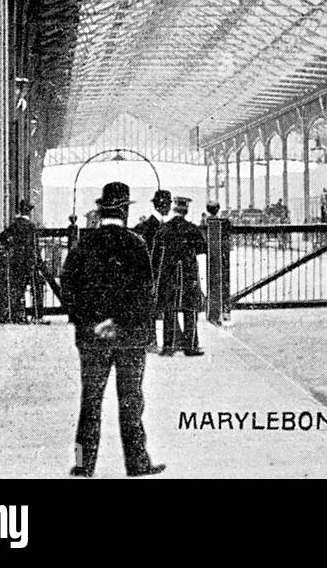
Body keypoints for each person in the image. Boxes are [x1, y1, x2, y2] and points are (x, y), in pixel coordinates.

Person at [62, 181, 165, 478]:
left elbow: (68, 288)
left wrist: (93, 321)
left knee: (89, 403)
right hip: (130, 338)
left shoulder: (83, 244)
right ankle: (138, 463)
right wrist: (119, 322)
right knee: (131, 402)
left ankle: (82, 465)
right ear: (124, 211)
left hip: (92, 338)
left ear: (101, 210)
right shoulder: (136, 244)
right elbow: (146, 294)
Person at [155, 196, 208, 357]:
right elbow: (201, 248)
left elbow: (157, 250)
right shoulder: (191, 228)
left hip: (169, 273)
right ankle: (190, 346)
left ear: (174, 209)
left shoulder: (165, 228)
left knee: (169, 310)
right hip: (188, 273)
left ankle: (168, 346)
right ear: (186, 211)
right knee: (190, 310)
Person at [134, 189, 172, 352]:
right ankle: (151, 342)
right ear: (163, 206)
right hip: (155, 272)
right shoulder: (156, 227)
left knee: (153, 306)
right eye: (168, 204)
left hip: (153, 272)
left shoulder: (149, 225)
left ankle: (153, 341)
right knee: (153, 306)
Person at [0, 199, 44, 324]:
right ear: (29, 212)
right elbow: (34, 245)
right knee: (36, 288)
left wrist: (9, 247)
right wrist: (38, 260)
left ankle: (18, 315)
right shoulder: (31, 226)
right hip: (30, 261)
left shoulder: (15, 224)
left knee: (18, 289)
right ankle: (37, 316)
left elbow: (2, 236)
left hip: (17, 260)